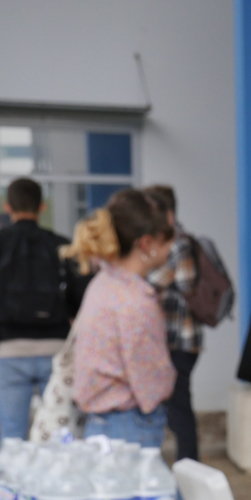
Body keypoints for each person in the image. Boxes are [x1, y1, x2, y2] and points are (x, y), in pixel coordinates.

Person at [64, 189, 176, 447]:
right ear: (147, 244)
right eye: (167, 240)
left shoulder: (103, 283)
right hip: (128, 425)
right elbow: (149, 379)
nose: (172, 248)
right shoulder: (135, 301)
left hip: (104, 422)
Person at [0, 177, 90, 439]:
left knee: (11, 434)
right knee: (60, 433)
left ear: (7, 207)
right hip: (56, 349)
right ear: (42, 206)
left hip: (7, 350)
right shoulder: (61, 246)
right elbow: (82, 297)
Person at [144, 185, 202, 461]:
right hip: (167, 341)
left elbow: (180, 284)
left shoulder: (179, 244)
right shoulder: (161, 243)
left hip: (180, 340)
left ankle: (188, 466)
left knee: (179, 409)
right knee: (173, 408)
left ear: (166, 214)